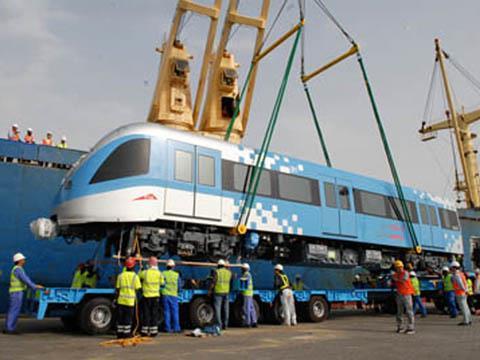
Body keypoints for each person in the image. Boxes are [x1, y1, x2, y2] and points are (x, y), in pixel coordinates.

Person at [4, 253, 43, 334]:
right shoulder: (18, 269)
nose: (24, 261)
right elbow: (25, 279)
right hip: (16, 292)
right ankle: (10, 329)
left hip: (15, 292)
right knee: (14, 310)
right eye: (23, 259)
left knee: (13, 310)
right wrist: (35, 286)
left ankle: (9, 327)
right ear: (19, 260)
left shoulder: (17, 269)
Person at [115, 257, 141, 339]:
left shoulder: (120, 276)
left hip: (121, 300)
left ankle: (119, 334)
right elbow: (138, 288)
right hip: (130, 301)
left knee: (120, 318)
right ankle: (126, 334)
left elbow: (117, 288)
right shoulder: (135, 276)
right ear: (133, 266)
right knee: (128, 318)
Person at [139, 256, 164, 337]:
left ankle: (144, 332)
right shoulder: (159, 273)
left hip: (146, 296)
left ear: (149, 264)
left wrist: (141, 268)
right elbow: (162, 283)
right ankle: (153, 332)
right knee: (154, 314)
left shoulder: (145, 273)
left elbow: (138, 276)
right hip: (155, 297)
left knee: (146, 314)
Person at [392, 260, 415, 334]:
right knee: (399, 312)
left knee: (409, 311)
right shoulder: (396, 274)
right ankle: (400, 327)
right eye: (397, 267)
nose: (399, 269)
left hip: (407, 294)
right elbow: (394, 279)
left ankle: (411, 328)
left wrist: (396, 279)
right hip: (400, 294)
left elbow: (403, 280)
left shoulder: (405, 273)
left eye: (400, 267)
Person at [211, 259, 232, 330]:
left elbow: (213, 282)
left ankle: (219, 325)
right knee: (226, 309)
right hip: (226, 292)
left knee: (218, 309)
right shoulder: (229, 272)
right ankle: (225, 325)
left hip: (218, 292)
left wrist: (210, 290)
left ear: (218, 265)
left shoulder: (217, 272)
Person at [162, 259, 181, 333]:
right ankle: (176, 328)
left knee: (166, 312)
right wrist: (178, 291)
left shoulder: (163, 273)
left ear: (166, 266)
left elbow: (162, 283)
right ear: (173, 267)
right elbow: (179, 286)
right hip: (173, 295)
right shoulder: (176, 275)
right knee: (175, 312)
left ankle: (167, 328)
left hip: (165, 295)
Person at [450, 261, 472, 326]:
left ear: (454, 268)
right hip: (463, 293)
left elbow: (461, 284)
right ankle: (469, 319)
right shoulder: (461, 274)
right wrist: (466, 290)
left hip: (460, 293)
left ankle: (466, 321)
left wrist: (463, 290)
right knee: (466, 306)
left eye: (451, 268)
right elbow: (465, 284)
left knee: (463, 307)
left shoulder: (456, 275)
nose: (451, 269)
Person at [240, 263, 257, 328]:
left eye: (242, 268)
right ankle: (254, 322)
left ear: (244, 269)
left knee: (246, 308)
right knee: (251, 308)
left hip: (247, 293)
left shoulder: (246, 275)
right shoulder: (248, 274)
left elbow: (243, 284)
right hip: (250, 293)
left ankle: (248, 323)